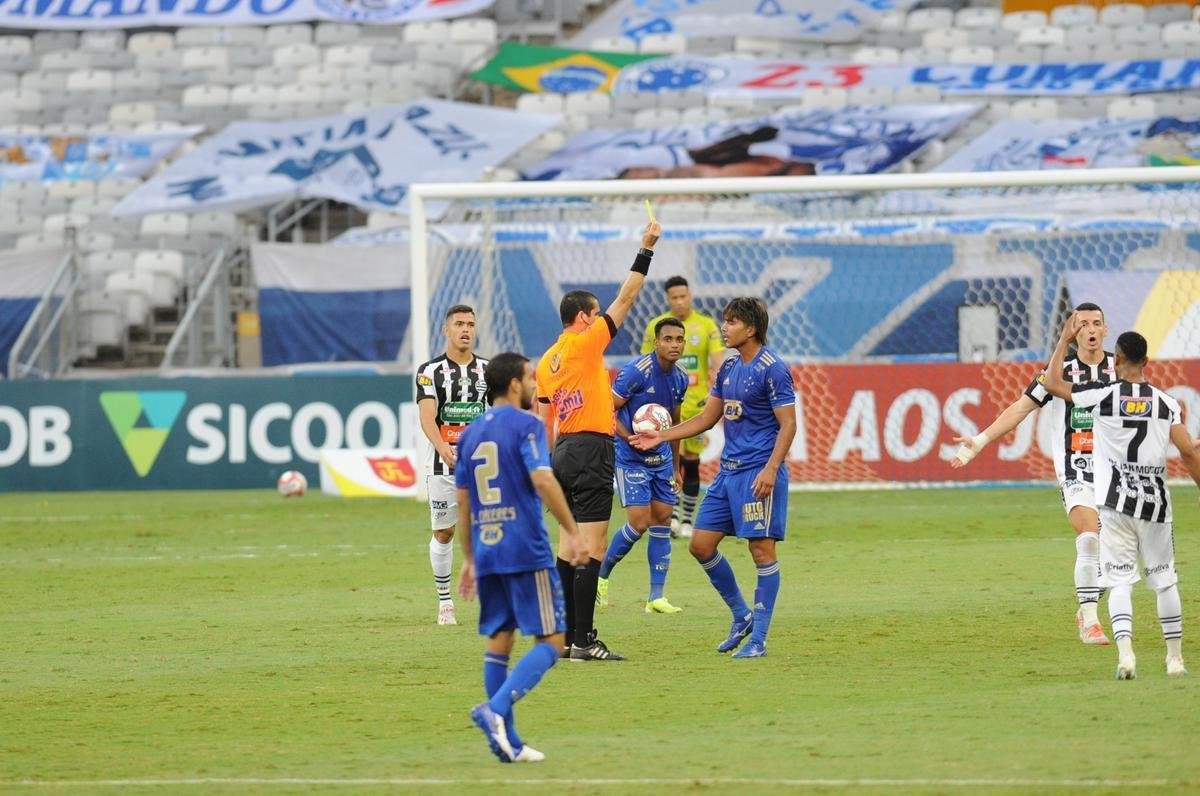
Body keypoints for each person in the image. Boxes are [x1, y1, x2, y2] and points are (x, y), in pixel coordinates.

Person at [632, 297, 796, 659]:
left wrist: (771, 469)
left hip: (758, 472)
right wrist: (662, 435)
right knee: (700, 544)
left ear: (751, 329)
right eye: (724, 320)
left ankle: (759, 641)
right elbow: (706, 419)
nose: (724, 327)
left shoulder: (774, 369)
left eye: (732, 321)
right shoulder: (728, 368)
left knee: (760, 549)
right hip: (727, 475)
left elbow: (789, 424)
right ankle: (741, 615)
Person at [1041, 321, 1200, 680]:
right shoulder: (1167, 402)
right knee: (1165, 581)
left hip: (1114, 505)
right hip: (1156, 505)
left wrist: (1064, 342)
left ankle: (1126, 656)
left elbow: (1050, 384)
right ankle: (1174, 660)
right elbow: (1188, 451)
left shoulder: (1102, 396)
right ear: (1147, 360)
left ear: (1118, 359)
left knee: (1120, 582)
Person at [951, 302, 1114, 645]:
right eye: (1082, 324)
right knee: (1088, 535)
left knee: (1117, 556)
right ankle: (1089, 619)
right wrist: (979, 441)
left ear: (1105, 329)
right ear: (1073, 331)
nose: (1090, 329)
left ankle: (1092, 592)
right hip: (1076, 468)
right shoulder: (1058, 372)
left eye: (1096, 323)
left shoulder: (1120, 367)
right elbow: (1021, 407)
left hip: (1116, 472)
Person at [536, 219, 662, 661]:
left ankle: (566, 638)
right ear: (585, 317)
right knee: (592, 547)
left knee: (567, 546)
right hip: (591, 448)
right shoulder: (586, 343)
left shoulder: (546, 360)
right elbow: (627, 297)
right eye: (594, 312)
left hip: (563, 451)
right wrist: (645, 247)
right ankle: (585, 640)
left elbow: (545, 412)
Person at [457, 352, 587, 762]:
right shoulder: (528, 425)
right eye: (531, 377)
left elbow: (463, 502)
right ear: (514, 384)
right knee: (553, 641)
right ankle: (494, 710)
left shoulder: (471, 432)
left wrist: (469, 558)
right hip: (525, 546)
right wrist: (572, 529)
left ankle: (508, 742)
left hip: (488, 547)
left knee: (501, 640)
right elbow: (542, 477)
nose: (535, 384)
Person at [597, 317, 690, 614]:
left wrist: (676, 466)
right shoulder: (636, 372)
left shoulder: (681, 378)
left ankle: (656, 598)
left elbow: (675, 425)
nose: (674, 344)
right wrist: (630, 438)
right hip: (630, 457)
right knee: (639, 522)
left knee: (662, 518)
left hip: (661, 458)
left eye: (679, 339)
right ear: (656, 342)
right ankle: (600, 579)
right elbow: (606, 412)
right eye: (668, 339)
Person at [415, 305, 489, 626]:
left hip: (484, 464)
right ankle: (445, 601)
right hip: (443, 463)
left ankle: (494, 598)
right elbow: (427, 415)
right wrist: (443, 447)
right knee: (445, 532)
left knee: (492, 528)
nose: (465, 329)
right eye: (459, 323)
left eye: (470, 324)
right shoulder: (429, 371)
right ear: (446, 330)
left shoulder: (489, 370)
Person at [640, 276, 725, 539]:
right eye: (674, 297)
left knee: (691, 462)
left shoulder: (705, 325)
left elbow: (719, 362)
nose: (679, 301)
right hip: (665, 409)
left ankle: (687, 518)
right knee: (667, 462)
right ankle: (672, 514)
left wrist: (719, 388)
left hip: (696, 408)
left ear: (690, 295)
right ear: (668, 299)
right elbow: (646, 364)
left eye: (683, 296)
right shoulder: (656, 326)